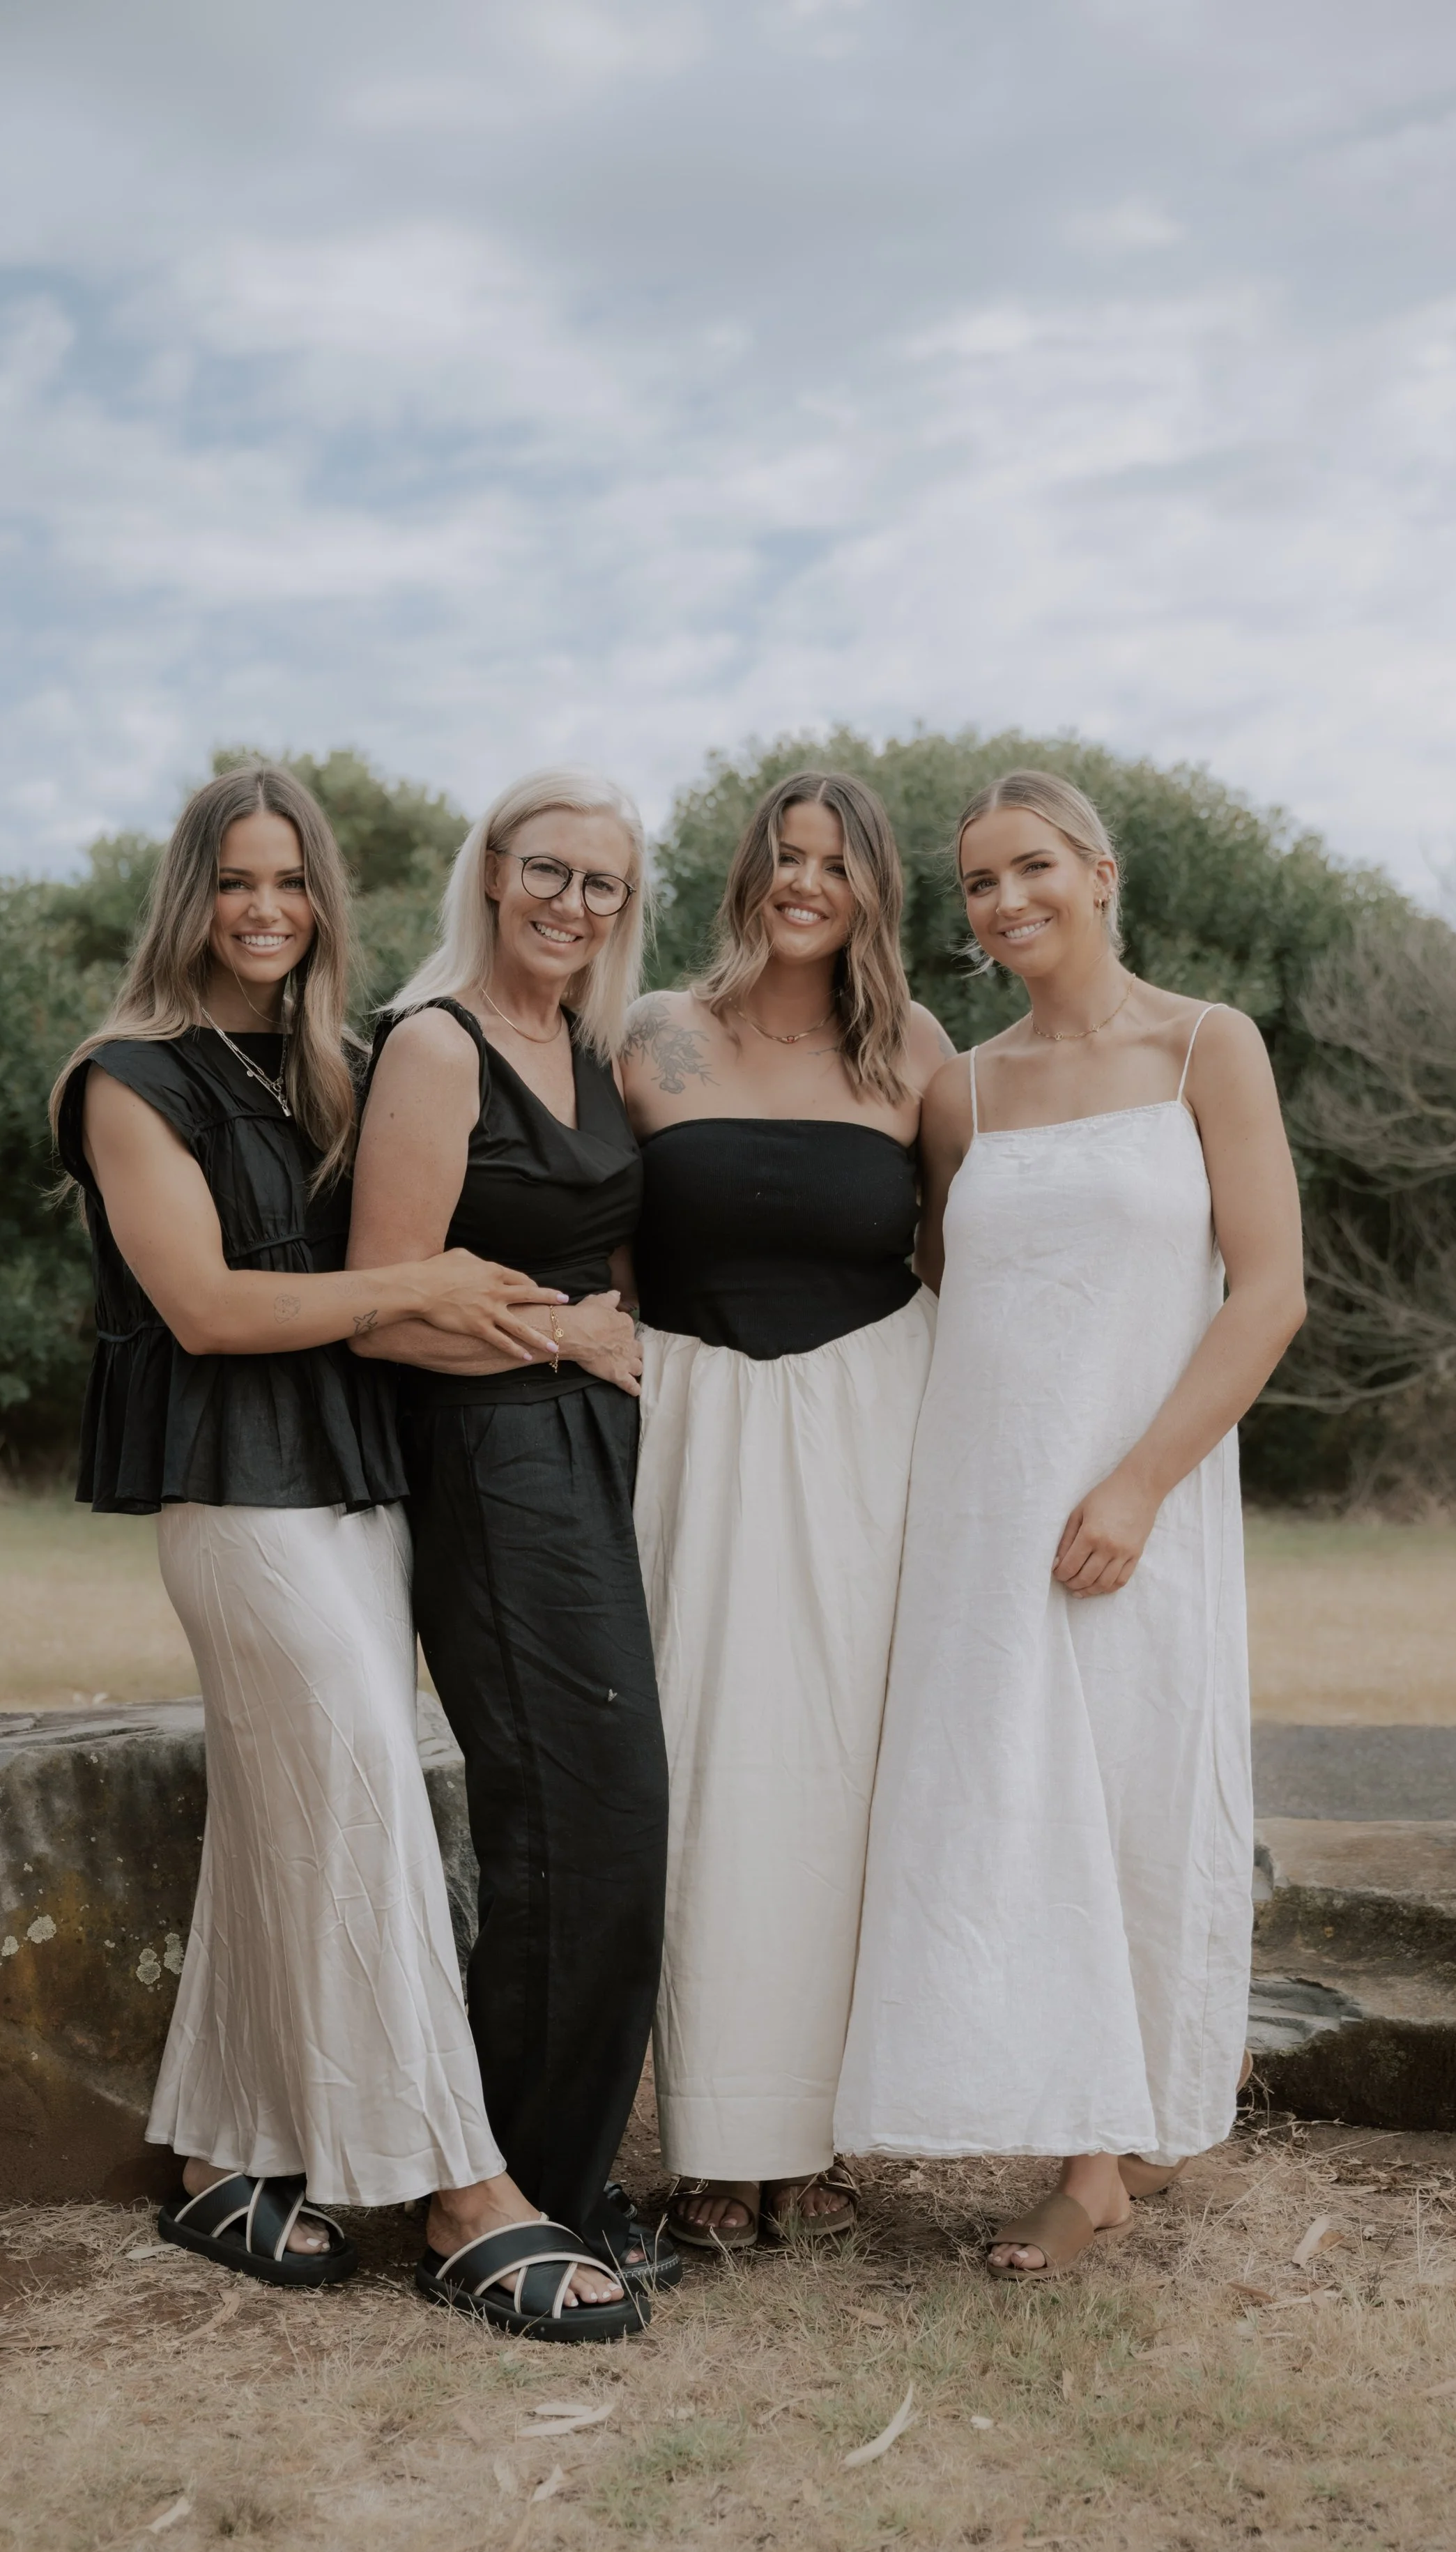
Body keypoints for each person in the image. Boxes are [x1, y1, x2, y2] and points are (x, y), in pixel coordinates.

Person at [51, 762, 634, 2332]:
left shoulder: (330, 1070)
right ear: (191, 897)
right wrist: (418, 1288)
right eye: (236, 883)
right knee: (371, 1778)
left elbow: (443, 1257)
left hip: (360, 1489)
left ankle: (222, 2161)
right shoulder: (127, 1077)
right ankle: (461, 2189)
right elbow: (210, 1309)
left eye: (292, 884)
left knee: (277, 1815)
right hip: (234, 1502)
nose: (265, 911)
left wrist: (555, 1318)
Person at [834, 770, 1305, 2274]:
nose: (1004, 900)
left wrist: (1137, 1482)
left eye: (1030, 866)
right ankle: (1084, 2138)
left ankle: (1117, 2143)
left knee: (1130, 1789)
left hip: (1141, 1496)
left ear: (1100, 873)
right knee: (1012, 1805)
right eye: (976, 882)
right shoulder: (958, 1089)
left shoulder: (1203, 1047)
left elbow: (1270, 1291)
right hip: (983, 1501)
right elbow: (927, 1283)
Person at [346, 767, 671, 2337]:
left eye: (602, 886)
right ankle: (489, 2203)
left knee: (605, 1812)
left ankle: (566, 2173)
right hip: (487, 1454)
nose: (572, 905)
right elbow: (387, 1302)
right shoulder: (433, 1045)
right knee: (577, 1814)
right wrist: (567, 1336)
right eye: (548, 872)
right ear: (490, 874)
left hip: (590, 1449)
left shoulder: (596, 1049)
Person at [621, 772, 953, 2253]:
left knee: (840, 1780)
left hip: (864, 1433)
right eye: (784, 856)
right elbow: (592, 1230)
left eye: (836, 863)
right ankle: (707, 2150)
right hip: (684, 1424)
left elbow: (960, 1253)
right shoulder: (648, 1038)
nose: (805, 882)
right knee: (697, 1772)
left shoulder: (915, 1055)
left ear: (873, 888)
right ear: (745, 873)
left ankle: (818, 2140)